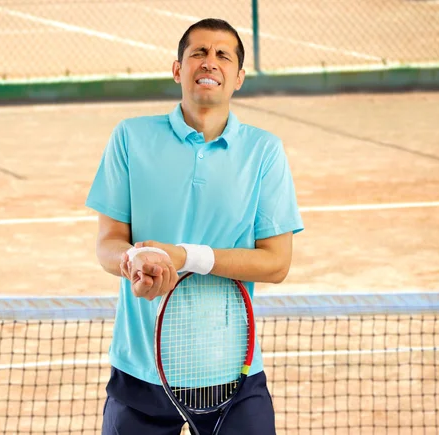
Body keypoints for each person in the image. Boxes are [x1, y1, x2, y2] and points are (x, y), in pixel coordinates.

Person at [86, 17, 304, 435]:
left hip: (232, 370)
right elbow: (107, 243)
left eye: (223, 55)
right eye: (198, 54)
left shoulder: (264, 152)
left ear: (238, 77)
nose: (210, 62)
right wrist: (134, 259)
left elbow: (276, 264)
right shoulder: (130, 138)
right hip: (141, 369)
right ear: (177, 69)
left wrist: (186, 257)